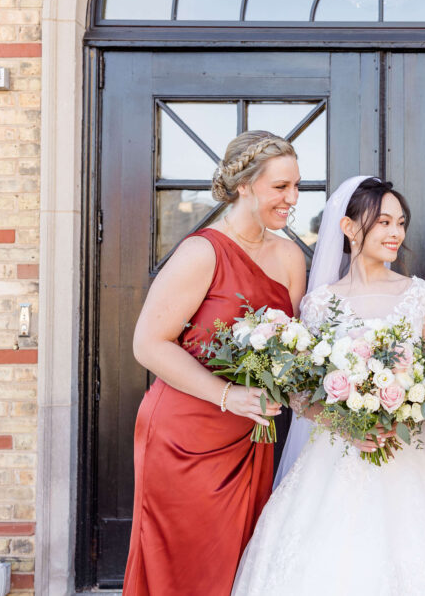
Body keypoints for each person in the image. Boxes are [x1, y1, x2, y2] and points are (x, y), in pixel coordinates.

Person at [232, 176, 425, 596]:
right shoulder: (320, 302)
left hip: (411, 452)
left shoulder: (421, 296)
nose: (395, 232)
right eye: (383, 222)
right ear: (348, 228)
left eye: (400, 222)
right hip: (335, 454)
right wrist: (345, 423)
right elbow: (299, 392)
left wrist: (406, 405)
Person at [122, 131, 306, 596]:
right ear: (244, 185)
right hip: (185, 434)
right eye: (280, 187)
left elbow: (296, 350)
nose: (293, 199)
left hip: (251, 434)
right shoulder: (202, 251)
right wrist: (228, 394)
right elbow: (148, 344)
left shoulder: (289, 257)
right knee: (186, 567)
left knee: (242, 565)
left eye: (297, 187)